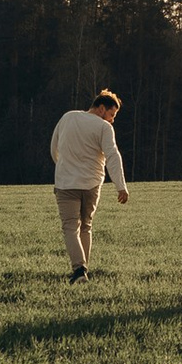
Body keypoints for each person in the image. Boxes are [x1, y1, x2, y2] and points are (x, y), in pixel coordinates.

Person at [49, 88, 129, 279]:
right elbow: (112, 156)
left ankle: (79, 269)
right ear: (101, 108)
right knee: (86, 226)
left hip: (66, 184)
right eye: (111, 114)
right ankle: (84, 269)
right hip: (92, 184)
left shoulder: (68, 117)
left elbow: (54, 147)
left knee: (70, 227)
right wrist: (121, 186)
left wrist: (62, 165)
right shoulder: (104, 128)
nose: (112, 119)